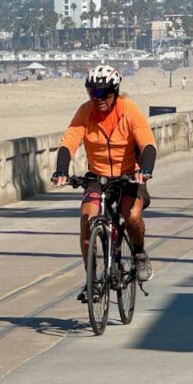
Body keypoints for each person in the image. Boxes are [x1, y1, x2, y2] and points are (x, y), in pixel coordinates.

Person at [52, 65, 158, 298]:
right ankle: (92, 280)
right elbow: (68, 142)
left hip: (130, 175)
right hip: (97, 177)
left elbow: (147, 144)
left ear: (115, 92)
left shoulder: (128, 110)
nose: (97, 98)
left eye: (104, 93)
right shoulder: (85, 112)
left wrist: (146, 169)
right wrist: (61, 170)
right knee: (86, 220)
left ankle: (139, 254)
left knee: (131, 217)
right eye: (92, 92)